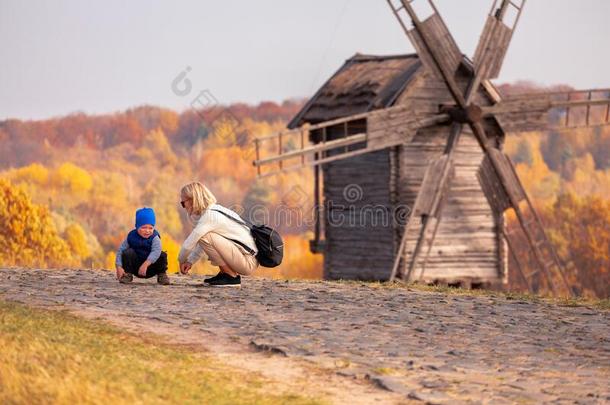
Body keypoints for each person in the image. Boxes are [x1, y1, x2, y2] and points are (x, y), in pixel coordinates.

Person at [178, 182, 258, 287]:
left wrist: (181, 261)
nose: (183, 206)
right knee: (205, 235)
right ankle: (225, 273)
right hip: (248, 258)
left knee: (204, 236)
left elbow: (189, 244)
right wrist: (190, 261)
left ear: (193, 199)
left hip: (247, 262)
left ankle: (230, 276)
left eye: (183, 203)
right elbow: (207, 243)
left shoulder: (209, 216)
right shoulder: (217, 210)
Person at [115, 207, 170, 285]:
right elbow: (121, 250)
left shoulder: (155, 237)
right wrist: (118, 267)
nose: (147, 231)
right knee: (127, 252)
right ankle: (128, 275)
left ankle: (162, 275)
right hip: (136, 268)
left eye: (150, 228)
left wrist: (146, 264)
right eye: (144, 227)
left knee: (162, 255)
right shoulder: (131, 236)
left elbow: (156, 251)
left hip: (151, 267)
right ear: (137, 226)